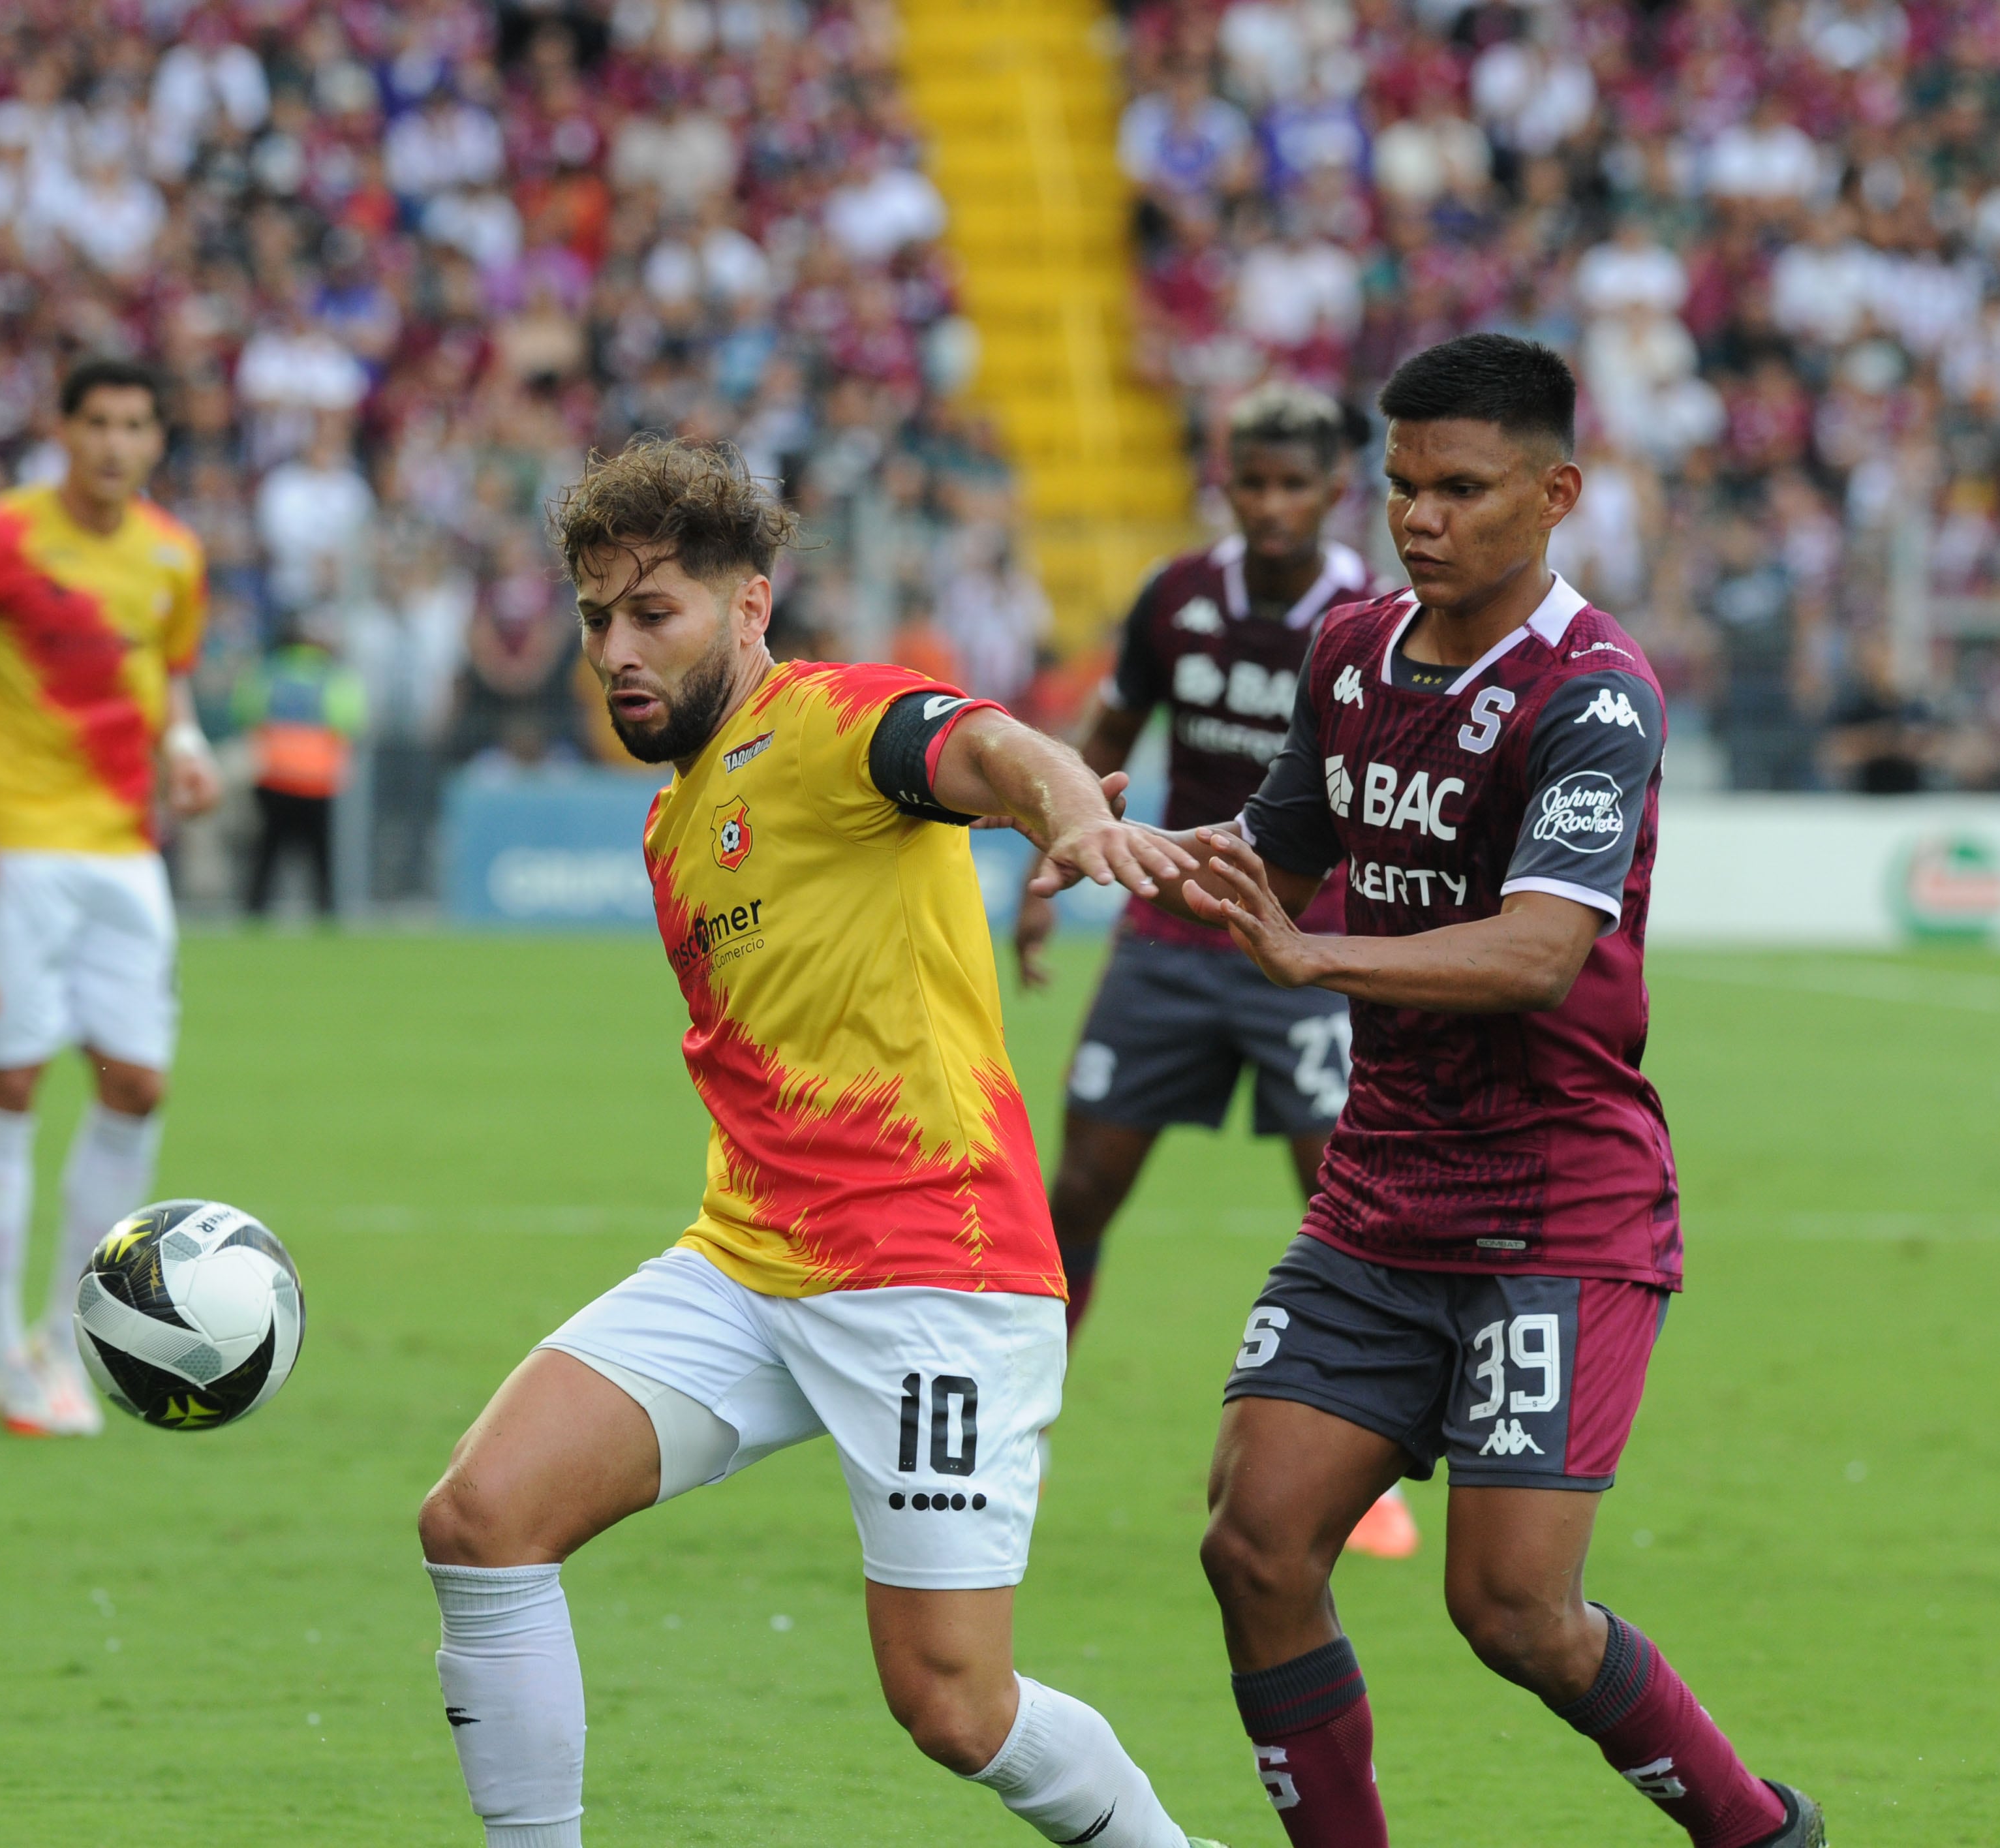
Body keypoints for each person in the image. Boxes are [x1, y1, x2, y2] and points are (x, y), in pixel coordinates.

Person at [416, 437, 1225, 1848]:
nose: (617, 649)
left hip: (932, 1269)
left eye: (651, 613)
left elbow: (981, 746)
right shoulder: (674, 822)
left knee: (953, 1707)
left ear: (748, 605)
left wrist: (1073, 809)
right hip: (748, 1260)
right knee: (480, 1519)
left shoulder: (838, 723)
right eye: (598, 618)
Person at [1159, 335, 1822, 1848]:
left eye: (1462, 488)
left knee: (1514, 1608)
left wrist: (1313, 955)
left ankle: (1761, 1832)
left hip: (1555, 1204)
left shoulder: (1594, 694)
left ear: (1556, 492)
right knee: (1256, 1544)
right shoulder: (1348, 653)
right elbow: (1268, 862)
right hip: (1381, 1191)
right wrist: (1126, 852)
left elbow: (1537, 952)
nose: (1420, 518)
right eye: (1404, 485)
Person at [1019, 382, 1419, 1560]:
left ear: (1333, 491)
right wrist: (1050, 857)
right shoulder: (1177, 597)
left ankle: (1364, 1473)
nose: (1274, 506)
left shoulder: (1378, 618)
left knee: (1344, 1205)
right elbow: (1104, 742)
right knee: (1082, 1187)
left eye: (1297, 484)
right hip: (1170, 938)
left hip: (1308, 948)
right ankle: (1013, 1428)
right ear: (1227, 482)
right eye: (1254, 483)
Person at [0, 357, 219, 1438]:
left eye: (135, 424)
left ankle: (67, 1330)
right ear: (62, 431)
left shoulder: (174, 554)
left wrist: (188, 743)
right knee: (13, 1075)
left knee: (136, 1083)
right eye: (98, 422)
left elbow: (165, 678)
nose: (116, 443)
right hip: (10, 846)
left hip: (123, 848)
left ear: (156, 441)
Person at [233, 617, 365, 922]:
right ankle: (326, 910)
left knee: (268, 849)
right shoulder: (333, 675)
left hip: (274, 773)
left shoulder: (267, 672)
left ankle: (256, 909)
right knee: (321, 854)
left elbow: (244, 712)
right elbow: (351, 720)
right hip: (318, 778)